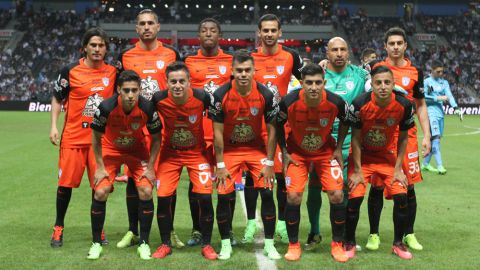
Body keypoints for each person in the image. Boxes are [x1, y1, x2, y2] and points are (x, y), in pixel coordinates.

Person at [116, 8, 182, 249]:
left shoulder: (171, 53)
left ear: (157, 27)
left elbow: (180, 85)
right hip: (135, 130)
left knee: (167, 182)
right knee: (135, 181)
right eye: (142, 23)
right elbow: (119, 92)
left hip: (165, 128)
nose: (146, 27)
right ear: (136, 28)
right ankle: (133, 231)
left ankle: (170, 231)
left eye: (150, 23)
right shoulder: (125, 56)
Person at [209, 50, 281, 260]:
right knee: (223, 196)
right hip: (230, 151)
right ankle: (225, 244)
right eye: (239, 70)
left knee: (267, 192)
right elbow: (217, 133)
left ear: (254, 71)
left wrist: (269, 162)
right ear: (232, 71)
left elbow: (272, 131)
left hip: (256, 150)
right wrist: (220, 165)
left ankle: (269, 244)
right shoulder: (220, 95)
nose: (243, 74)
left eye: (247, 70)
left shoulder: (266, 94)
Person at [49, 27, 116, 248]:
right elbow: (58, 99)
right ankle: (58, 227)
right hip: (73, 140)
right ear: (85, 47)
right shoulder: (69, 71)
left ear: (106, 49)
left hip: (100, 143)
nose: (97, 49)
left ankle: (99, 230)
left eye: (101, 45)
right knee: (65, 185)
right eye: (93, 45)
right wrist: (53, 127)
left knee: (100, 189)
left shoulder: (113, 73)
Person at [277, 63, 349, 262]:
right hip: (297, 154)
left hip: (325, 153)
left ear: (324, 83)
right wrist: (284, 151)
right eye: (309, 83)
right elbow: (276, 123)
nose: (314, 87)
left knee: (336, 195)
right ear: (301, 83)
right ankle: (293, 245)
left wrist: (338, 147)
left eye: (318, 82)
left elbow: (346, 120)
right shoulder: (289, 101)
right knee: (293, 197)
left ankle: (337, 245)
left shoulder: (336, 102)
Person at [367, 27, 431, 251]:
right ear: (385, 46)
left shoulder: (415, 72)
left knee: (408, 186)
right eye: (391, 43)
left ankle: (408, 234)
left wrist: (427, 136)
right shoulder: (375, 68)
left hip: (408, 136)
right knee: (376, 186)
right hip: (381, 136)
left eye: (399, 43)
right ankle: (374, 234)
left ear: (405, 46)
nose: (395, 47)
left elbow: (421, 105)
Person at [88, 70, 161, 260]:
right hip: (110, 151)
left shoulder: (147, 108)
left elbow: (156, 139)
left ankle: (143, 243)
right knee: (101, 191)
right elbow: (95, 137)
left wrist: (151, 167)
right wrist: (100, 166)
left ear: (140, 90)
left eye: (134, 90)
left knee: (145, 190)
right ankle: (96, 243)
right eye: (126, 90)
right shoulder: (105, 107)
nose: (130, 95)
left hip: (137, 152)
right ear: (119, 89)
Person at [344, 65, 415, 260]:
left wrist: (398, 169)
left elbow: (403, 139)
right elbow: (356, 139)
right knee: (355, 198)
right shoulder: (360, 104)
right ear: (372, 85)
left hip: (386, 159)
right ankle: (349, 241)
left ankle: (398, 243)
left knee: (401, 197)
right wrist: (357, 171)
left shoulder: (404, 105)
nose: (383, 86)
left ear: (393, 84)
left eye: (387, 82)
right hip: (363, 159)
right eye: (378, 83)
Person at [305, 37, 368, 250]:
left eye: (343, 49)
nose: (339, 53)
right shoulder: (318, 75)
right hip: (321, 140)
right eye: (334, 50)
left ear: (348, 52)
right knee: (314, 186)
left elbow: (382, 80)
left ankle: (344, 237)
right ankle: (314, 231)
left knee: (346, 189)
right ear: (327, 53)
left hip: (352, 140)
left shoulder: (360, 75)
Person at [150, 62, 217, 260]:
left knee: (205, 198)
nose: (178, 85)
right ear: (166, 83)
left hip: (197, 154)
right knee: (163, 198)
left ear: (189, 82)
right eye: (173, 81)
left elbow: (220, 116)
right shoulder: (158, 99)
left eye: (181, 81)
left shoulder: (202, 97)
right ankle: (165, 244)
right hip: (170, 156)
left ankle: (206, 244)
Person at [246, 13, 303, 244]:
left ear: (280, 33)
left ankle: (280, 223)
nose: (269, 34)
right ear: (259, 33)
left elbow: (307, 81)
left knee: (280, 176)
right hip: (253, 126)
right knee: (251, 176)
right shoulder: (249, 58)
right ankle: (251, 222)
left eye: (273, 30)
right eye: (265, 30)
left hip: (280, 128)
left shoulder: (291, 57)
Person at [183, 18, 234, 247]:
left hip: (224, 132)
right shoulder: (188, 62)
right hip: (197, 133)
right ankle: (197, 230)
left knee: (227, 184)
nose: (208, 34)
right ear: (198, 35)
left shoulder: (231, 62)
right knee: (197, 186)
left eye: (213, 30)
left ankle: (228, 230)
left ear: (220, 34)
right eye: (204, 30)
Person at [422, 60, 461, 174]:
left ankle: (425, 164)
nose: (440, 74)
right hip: (430, 113)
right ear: (432, 70)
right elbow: (423, 97)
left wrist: (456, 108)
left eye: (442, 72)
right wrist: (438, 98)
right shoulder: (427, 82)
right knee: (436, 141)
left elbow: (449, 96)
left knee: (434, 139)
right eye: (438, 72)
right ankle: (440, 166)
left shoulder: (444, 83)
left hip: (440, 113)